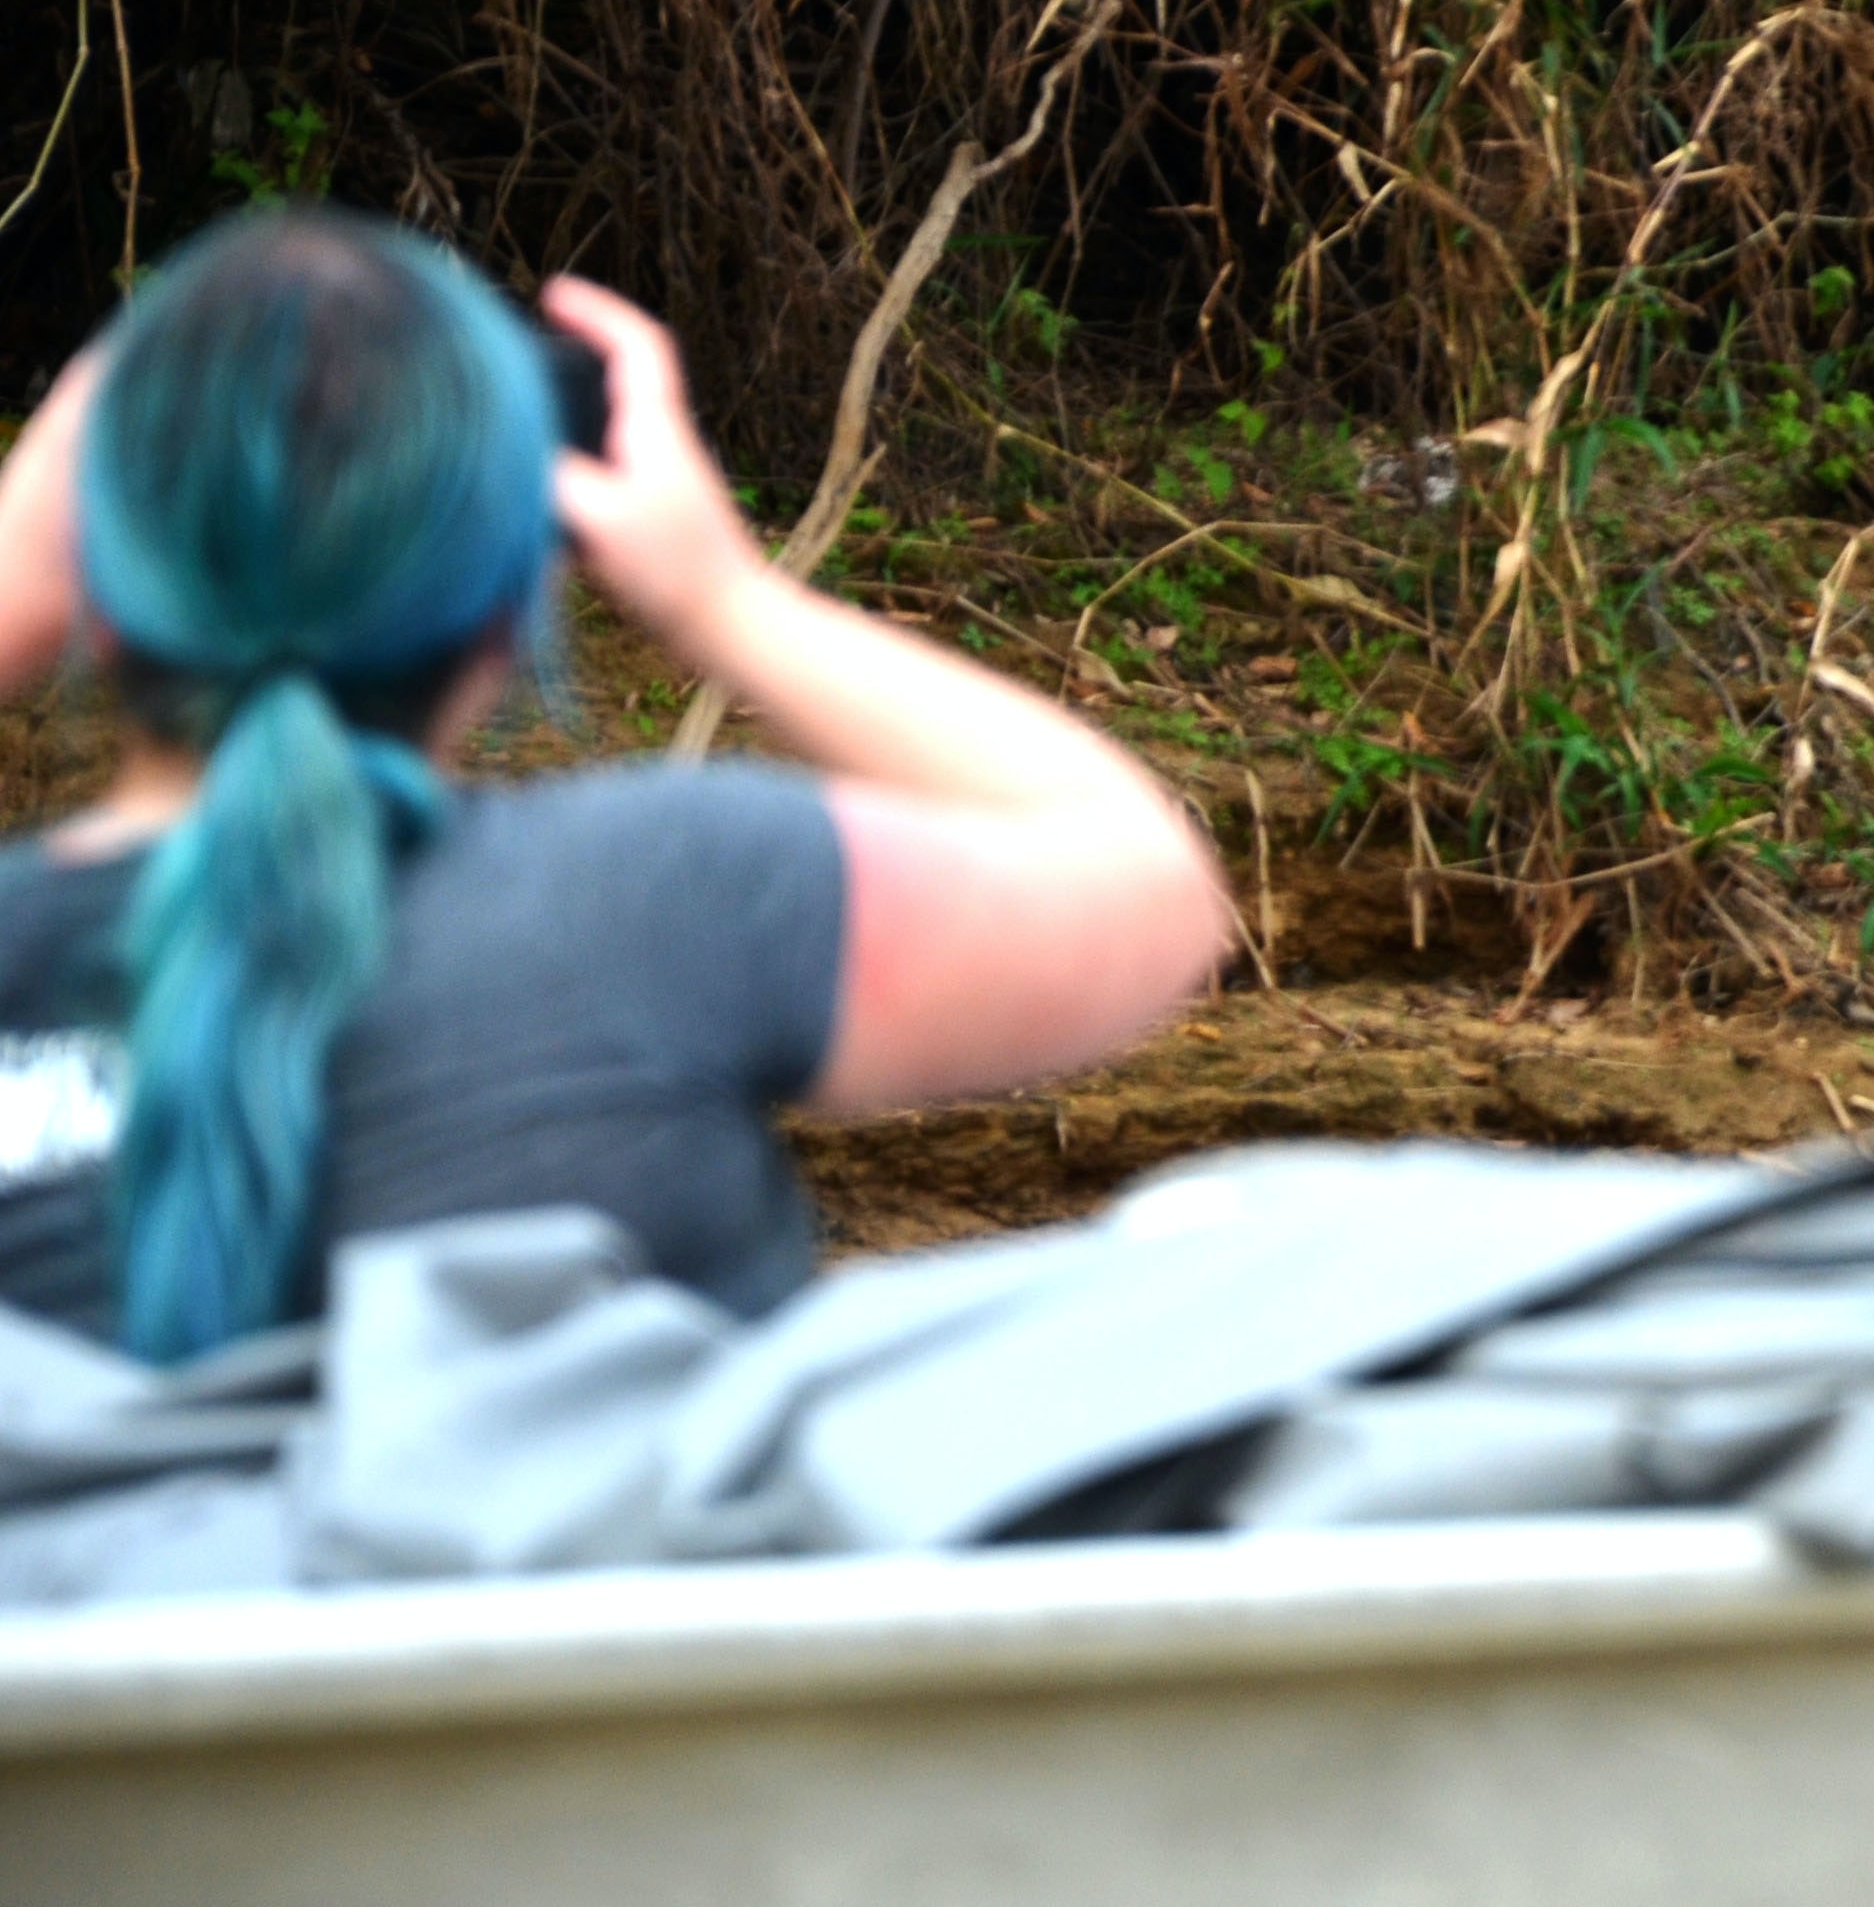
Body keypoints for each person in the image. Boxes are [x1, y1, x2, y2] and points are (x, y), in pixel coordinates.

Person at [0, 208, 1229, 1361]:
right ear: (505, 614)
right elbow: (1146, 885)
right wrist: (726, 602)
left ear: (95, 587)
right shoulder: (670, 898)